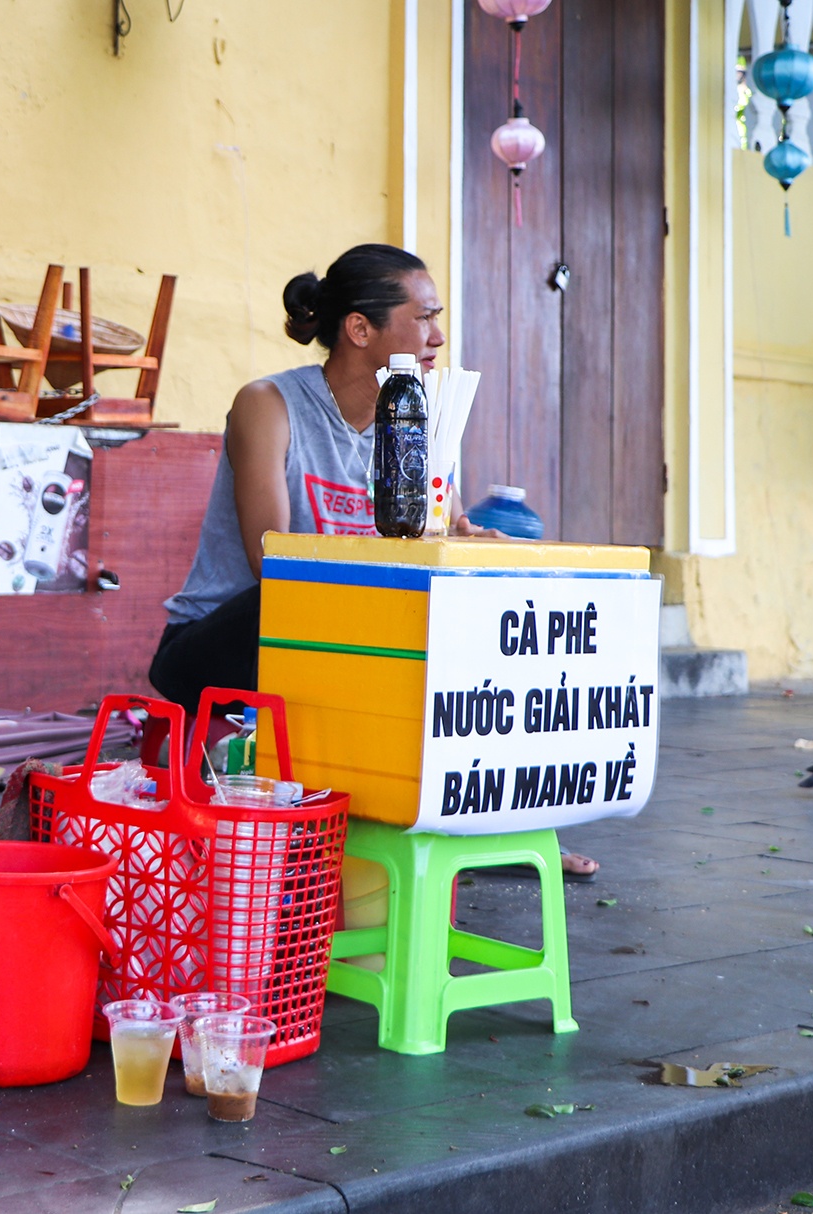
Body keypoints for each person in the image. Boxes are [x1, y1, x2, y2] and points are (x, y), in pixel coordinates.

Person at [147, 246, 598, 880]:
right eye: (424, 317)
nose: (438, 336)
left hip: (343, 647)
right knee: (315, 598)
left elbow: (439, 535)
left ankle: (489, 826)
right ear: (360, 329)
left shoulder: (417, 418)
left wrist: (470, 543)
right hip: (229, 642)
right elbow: (270, 558)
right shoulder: (269, 405)